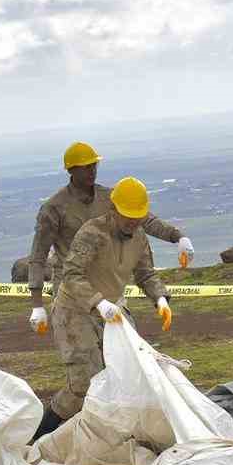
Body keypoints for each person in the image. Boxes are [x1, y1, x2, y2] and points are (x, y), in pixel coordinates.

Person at [34, 176, 173, 438]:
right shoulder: (92, 233)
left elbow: (145, 274)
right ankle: (39, 435)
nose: (133, 222)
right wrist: (98, 302)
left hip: (114, 312)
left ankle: (112, 437)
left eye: (138, 217)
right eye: (128, 216)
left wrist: (160, 298)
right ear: (114, 210)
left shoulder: (139, 236)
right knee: (85, 385)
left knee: (129, 373)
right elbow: (72, 275)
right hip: (75, 311)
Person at [27, 141, 191, 338]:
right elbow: (38, 255)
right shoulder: (54, 208)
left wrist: (178, 237)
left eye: (94, 165)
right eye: (86, 167)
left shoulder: (110, 198)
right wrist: (37, 305)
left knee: (125, 354)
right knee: (86, 360)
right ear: (71, 170)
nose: (92, 171)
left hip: (108, 286)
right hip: (73, 291)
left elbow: (145, 219)